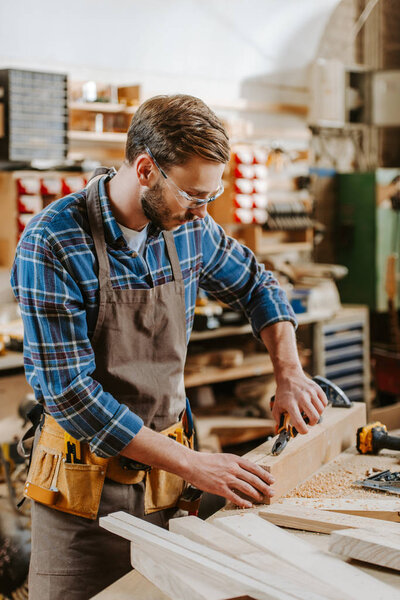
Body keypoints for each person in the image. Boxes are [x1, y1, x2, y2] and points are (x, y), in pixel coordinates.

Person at [11, 94, 327, 599]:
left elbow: (258, 286)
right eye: (193, 196)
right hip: (83, 490)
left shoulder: (190, 229)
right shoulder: (53, 240)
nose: (205, 210)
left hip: (167, 486)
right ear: (145, 169)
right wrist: (196, 465)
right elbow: (69, 392)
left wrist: (289, 373)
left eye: (212, 195)